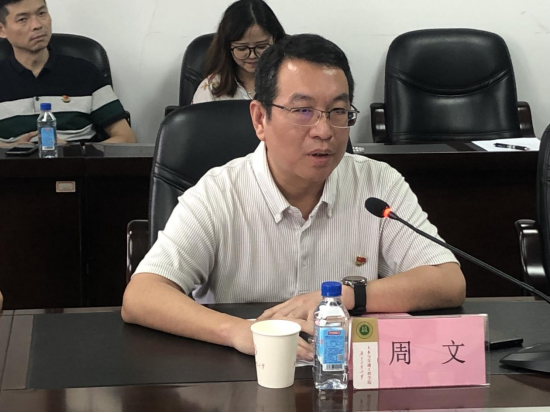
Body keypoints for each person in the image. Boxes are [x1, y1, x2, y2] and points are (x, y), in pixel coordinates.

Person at [122, 34, 466, 361]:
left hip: (341, 372)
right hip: (242, 374)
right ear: (260, 118)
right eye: (303, 111)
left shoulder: (377, 183)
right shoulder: (218, 193)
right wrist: (238, 331)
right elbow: (142, 295)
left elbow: (447, 280)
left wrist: (345, 296)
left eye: (338, 111)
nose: (324, 131)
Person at [0, 0, 136, 147]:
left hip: (78, 159)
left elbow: (127, 138)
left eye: (41, 13)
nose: (37, 25)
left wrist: (72, 151)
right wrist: (12, 149)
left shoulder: (85, 72)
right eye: (23, 19)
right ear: (2, 30)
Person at [192, 0, 285, 104]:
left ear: (275, 40)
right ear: (227, 46)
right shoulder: (212, 88)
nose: (252, 55)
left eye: (261, 46)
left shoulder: (290, 80)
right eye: (242, 48)